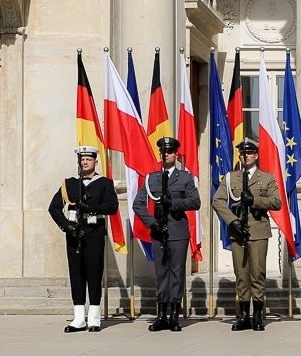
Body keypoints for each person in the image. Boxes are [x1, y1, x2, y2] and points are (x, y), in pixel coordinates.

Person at [211, 138, 282, 331]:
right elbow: (217, 201)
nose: (246, 156)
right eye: (242, 153)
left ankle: (257, 316)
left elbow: (277, 202)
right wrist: (232, 220)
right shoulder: (231, 177)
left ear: (256, 155)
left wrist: (255, 200)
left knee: (257, 273)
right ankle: (243, 316)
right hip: (238, 231)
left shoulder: (266, 178)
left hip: (258, 230)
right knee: (241, 275)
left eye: (249, 153)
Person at [48, 145, 119, 333]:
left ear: (95, 161)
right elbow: (54, 208)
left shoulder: (104, 183)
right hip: (74, 233)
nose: (85, 162)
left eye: (88, 159)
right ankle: (79, 318)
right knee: (77, 274)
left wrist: (91, 209)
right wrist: (67, 226)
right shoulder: (69, 183)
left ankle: (94, 318)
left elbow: (112, 207)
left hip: (94, 233)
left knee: (94, 274)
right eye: (82, 159)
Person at [133, 136, 200, 332]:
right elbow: (138, 204)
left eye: (169, 151)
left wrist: (173, 203)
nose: (166, 154)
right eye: (163, 151)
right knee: (161, 273)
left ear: (176, 154)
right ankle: (161, 315)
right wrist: (152, 223)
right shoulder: (151, 178)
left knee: (177, 273)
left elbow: (195, 202)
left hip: (178, 231)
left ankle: (174, 316)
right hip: (158, 231)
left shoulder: (185, 177)